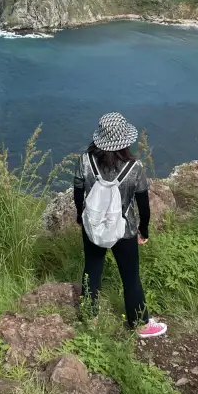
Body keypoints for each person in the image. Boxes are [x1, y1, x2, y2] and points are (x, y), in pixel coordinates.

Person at [73, 112, 167, 338]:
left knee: (91, 271)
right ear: (125, 140)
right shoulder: (134, 167)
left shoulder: (85, 161)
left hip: (94, 226)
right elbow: (144, 205)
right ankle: (140, 324)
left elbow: (78, 194)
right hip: (124, 229)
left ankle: (90, 319)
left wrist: (80, 217)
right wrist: (143, 230)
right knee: (130, 276)